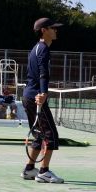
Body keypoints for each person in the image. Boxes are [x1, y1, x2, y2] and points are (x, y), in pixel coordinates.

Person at [21, 17, 64, 183]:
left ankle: (29, 169)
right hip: (36, 97)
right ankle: (44, 172)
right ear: (43, 30)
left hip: (29, 96)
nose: (55, 30)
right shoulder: (43, 49)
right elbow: (43, 73)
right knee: (51, 135)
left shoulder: (36, 48)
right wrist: (43, 93)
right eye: (52, 28)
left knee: (39, 135)